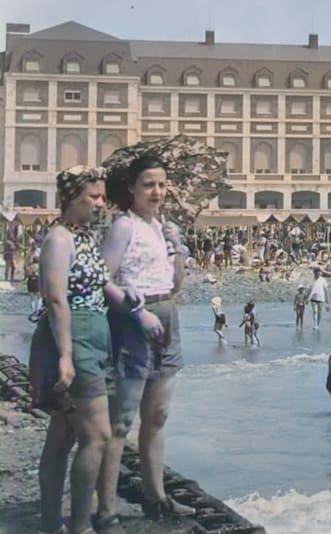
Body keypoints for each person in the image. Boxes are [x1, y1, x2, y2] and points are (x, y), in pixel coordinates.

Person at [29, 166, 160, 534]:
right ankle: (82, 524)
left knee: (64, 433)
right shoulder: (59, 239)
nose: (101, 203)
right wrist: (66, 357)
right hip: (72, 336)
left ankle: (53, 523)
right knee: (97, 436)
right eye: (94, 196)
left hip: (95, 334)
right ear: (72, 197)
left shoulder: (83, 236)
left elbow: (103, 284)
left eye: (102, 196)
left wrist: (132, 302)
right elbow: (55, 300)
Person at [98, 156, 195, 524]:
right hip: (133, 319)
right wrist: (135, 311)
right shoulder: (124, 226)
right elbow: (102, 279)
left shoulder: (162, 227)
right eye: (149, 185)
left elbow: (176, 286)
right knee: (122, 421)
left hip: (167, 317)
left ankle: (157, 497)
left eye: (162, 184)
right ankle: (106, 508)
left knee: (157, 416)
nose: (157, 192)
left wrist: (178, 250)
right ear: (132, 189)